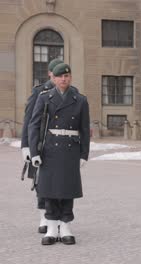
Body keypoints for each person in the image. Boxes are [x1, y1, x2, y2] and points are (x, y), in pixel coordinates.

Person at [29, 63, 90, 245]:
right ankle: (51, 227)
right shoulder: (44, 97)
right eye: (60, 76)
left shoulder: (80, 100)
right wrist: (34, 152)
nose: (64, 79)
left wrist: (84, 154)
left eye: (67, 76)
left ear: (70, 77)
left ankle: (65, 226)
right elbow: (34, 125)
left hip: (70, 150)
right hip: (49, 149)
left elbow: (85, 129)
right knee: (50, 189)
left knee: (67, 189)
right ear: (53, 78)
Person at [20, 58, 63, 234]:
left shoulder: (68, 93)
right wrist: (26, 146)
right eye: (56, 74)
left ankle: (58, 217)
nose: (59, 77)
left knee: (60, 182)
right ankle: (44, 217)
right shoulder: (39, 92)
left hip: (60, 147)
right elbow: (29, 122)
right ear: (50, 74)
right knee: (41, 183)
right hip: (40, 145)